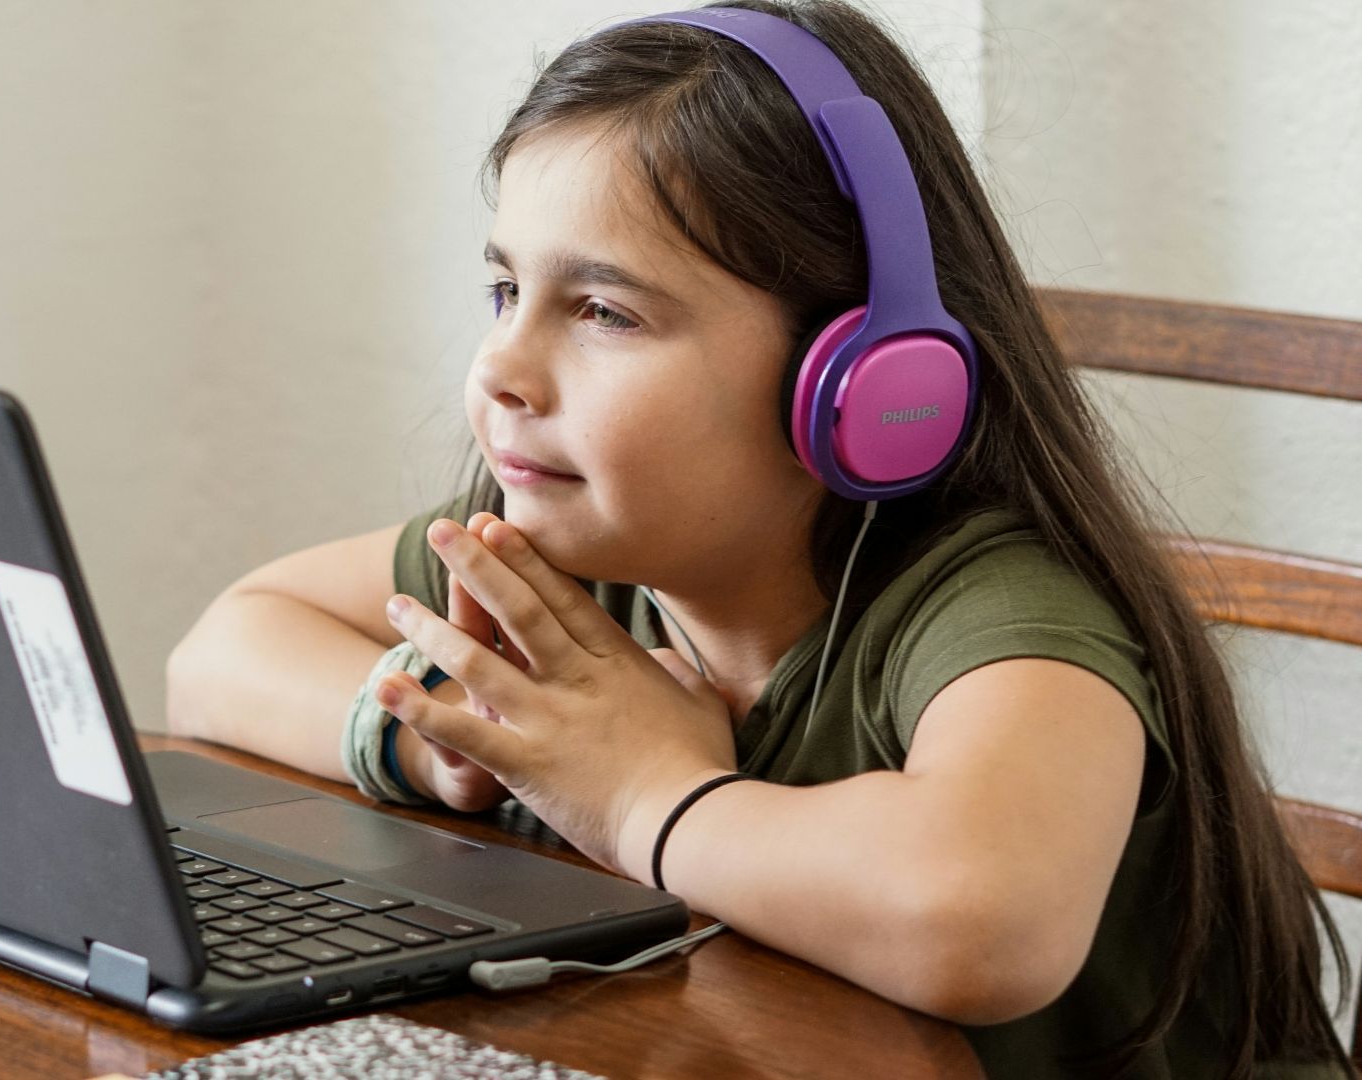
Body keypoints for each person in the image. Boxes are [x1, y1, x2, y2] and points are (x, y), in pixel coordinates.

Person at [164, 2, 1354, 1076]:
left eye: (603, 312)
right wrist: (444, 748)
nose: (501, 370)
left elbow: (980, 921)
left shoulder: (987, 608)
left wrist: (642, 797)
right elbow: (222, 650)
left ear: (862, 383)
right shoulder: (563, 551)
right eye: (502, 292)